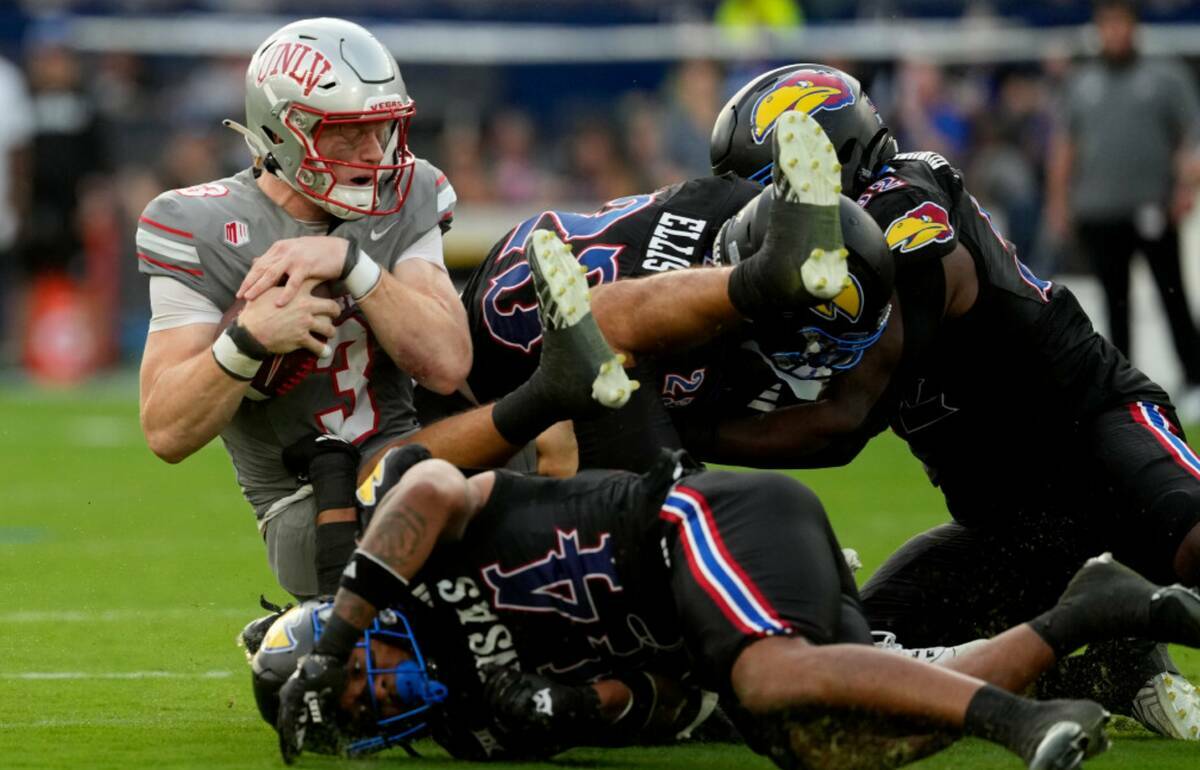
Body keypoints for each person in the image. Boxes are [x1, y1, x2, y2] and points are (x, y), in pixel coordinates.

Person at [707, 62, 1200, 737]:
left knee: (1191, 534)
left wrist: (684, 434)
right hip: (1009, 529)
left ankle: (1119, 628)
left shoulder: (907, 206)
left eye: (769, 191)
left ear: (831, 159)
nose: (759, 219)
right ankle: (1098, 659)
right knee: (856, 654)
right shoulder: (829, 253)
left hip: (1095, 437)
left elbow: (845, 421)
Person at [253, 443, 1200, 768]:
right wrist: (583, 709)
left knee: (768, 673)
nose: (366, 694)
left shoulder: (404, 554)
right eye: (353, 713)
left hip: (688, 522)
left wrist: (331, 642)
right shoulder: (470, 727)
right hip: (697, 624)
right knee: (827, 740)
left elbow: (424, 490)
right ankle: (1090, 614)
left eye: (352, 682)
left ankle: (1022, 721)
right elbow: (665, 704)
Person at [136, 18, 641, 601]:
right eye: (349, 134)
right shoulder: (194, 223)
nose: (376, 152)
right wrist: (246, 340)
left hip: (421, 452)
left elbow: (446, 362)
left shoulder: (405, 192)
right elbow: (165, 429)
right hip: (313, 506)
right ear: (284, 132)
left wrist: (353, 263)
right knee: (451, 468)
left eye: (383, 129)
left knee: (586, 428)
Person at [449, 107, 877, 472]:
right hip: (500, 366)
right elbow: (656, 457)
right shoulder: (680, 337)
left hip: (526, 263)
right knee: (667, 508)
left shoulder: (732, 200)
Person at [1045, 0, 1200, 418]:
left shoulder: (1164, 76)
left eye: (1121, 24)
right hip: (1099, 211)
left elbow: (1190, 136)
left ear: (1134, 27)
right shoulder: (1082, 82)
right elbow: (1064, 147)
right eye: (1107, 24)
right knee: (1115, 303)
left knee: (1173, 295)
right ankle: (1125, 385)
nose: (1114, 33)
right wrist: (1058, 203)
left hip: (1153, 209)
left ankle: (1194, 379)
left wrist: (1186, 185)